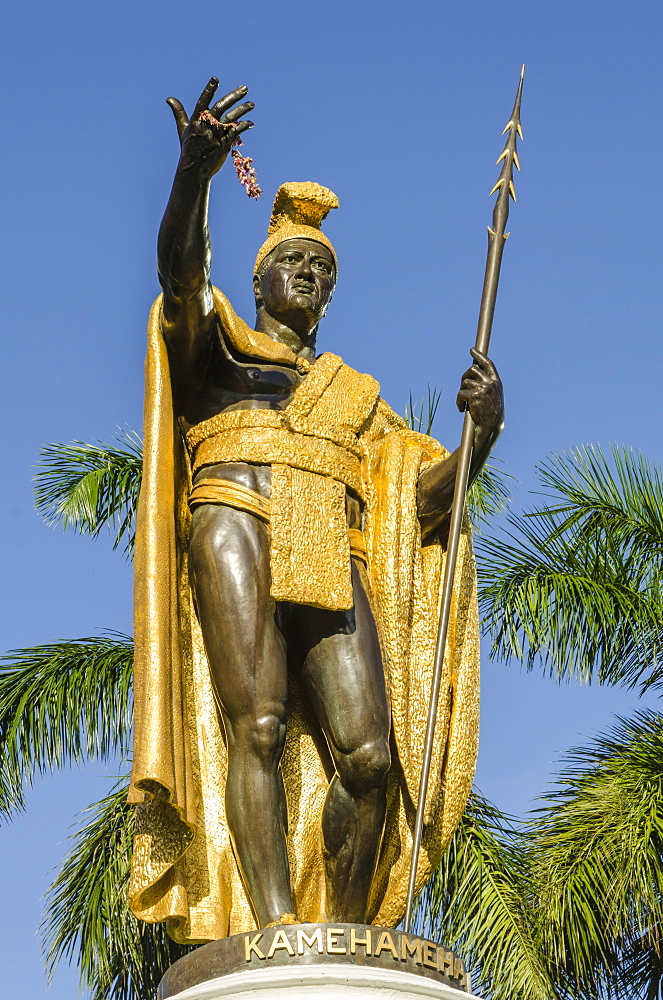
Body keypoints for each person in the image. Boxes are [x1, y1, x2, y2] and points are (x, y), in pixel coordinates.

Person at [128, 79, 504, 943]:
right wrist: (193, 179)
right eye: (296, 262)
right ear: (259, 277)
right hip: (233, 516)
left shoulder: (354, 398)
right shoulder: (217, 341)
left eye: (323, 270)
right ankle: (269, 927)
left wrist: (480, 437)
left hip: (325, 544)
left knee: (369, 757)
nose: (310, 274)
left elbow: (420, 504)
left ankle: (343, 936)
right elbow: (178, 274)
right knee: (253, 722)